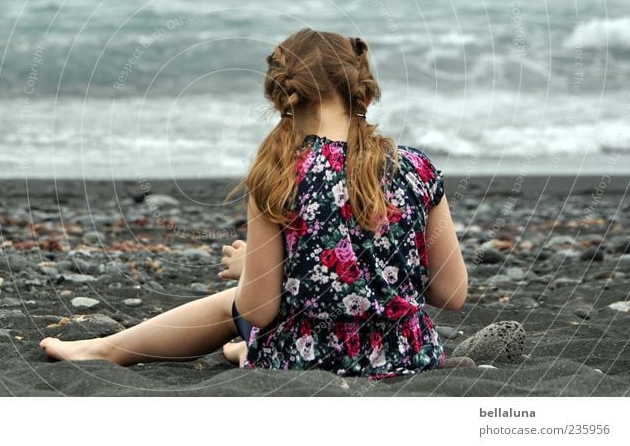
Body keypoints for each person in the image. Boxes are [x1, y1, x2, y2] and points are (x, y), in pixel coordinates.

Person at [39, 27, 468, 378]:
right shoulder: (417, 167)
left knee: (233, 304)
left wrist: (255, 270)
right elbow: (451, 293)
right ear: (363, 93)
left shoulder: (282, 171)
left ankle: (105, 350)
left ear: (282, 95)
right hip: (408, 357)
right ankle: (234, 352)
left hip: (307, 360)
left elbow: (259, 309)